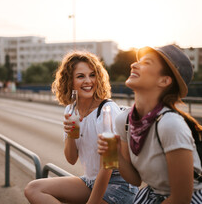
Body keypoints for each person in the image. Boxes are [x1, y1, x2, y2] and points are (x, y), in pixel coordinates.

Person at [98, 44, 202, 203]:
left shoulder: (170, 124)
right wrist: (115, 153)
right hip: (152, 195)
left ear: (164, 80)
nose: (134, 64)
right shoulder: (124, 121)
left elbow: (181, 198)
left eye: (147, 63)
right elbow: (135, 180)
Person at [24, 51, 137, 204]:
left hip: (118, 185)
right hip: (90, 181)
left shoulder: (107, 110)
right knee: (34, 189)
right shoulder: (71, 110)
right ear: (69, 81)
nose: (88, 81)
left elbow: (109, 165)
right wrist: (71, 134)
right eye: (80, 76)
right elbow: (71, 159)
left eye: (92, 75)